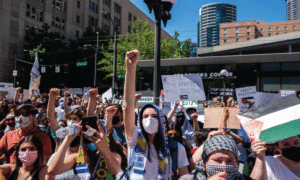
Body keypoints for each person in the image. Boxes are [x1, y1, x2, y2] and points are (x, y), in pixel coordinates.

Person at [122, 49, 189, 179]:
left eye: (154, 116)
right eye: (145, 117)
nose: (149, 120)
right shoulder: (134, 140)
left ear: (161, 121)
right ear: (140, 121)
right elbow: (128, 106)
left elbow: (185, 176)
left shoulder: (176, 148)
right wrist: (130, 68)